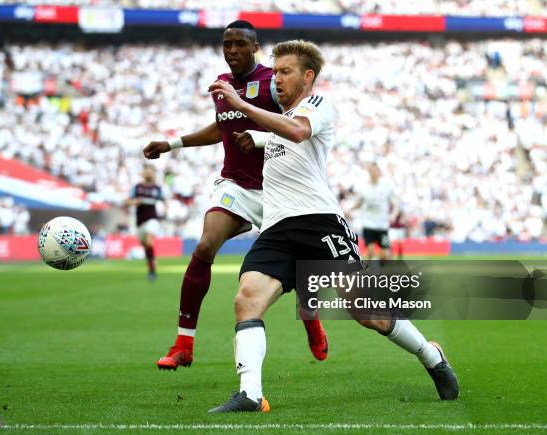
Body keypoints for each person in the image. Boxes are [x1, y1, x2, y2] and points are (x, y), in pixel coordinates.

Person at [207, 39, 459, 413]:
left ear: (308, 77)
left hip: (318, 223)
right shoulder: (277, 122)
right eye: (274, 72)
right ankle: (250, 393)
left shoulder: (317, 105)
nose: (276, 79)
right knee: (247, 300)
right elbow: (277, 133)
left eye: (285, 72)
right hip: (277, 229)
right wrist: (251, 137)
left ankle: (431, 356)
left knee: (367, 311)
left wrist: (242, 106)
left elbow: (296, 131)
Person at [144, 20, 328, 370]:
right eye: (227, 44)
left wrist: (258, 136)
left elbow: (294, 124)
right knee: (204, 246)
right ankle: (184, 343)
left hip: (280, 189)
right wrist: (173, 143)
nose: (232, 51)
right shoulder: (223, 85)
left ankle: (311, 318)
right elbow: (221, 126)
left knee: (303, 265)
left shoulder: (273, 82)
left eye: (239, 45)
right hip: (235, 186)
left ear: (254, 46)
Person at [351, 163, 398, 260]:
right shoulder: (364, 188)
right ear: (369, 172)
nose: (374, 173)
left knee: (386, 255)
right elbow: (358, 203)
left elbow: (396, 204)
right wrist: (349, 210)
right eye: (371, 171)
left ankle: (382, 263)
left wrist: (393, 214)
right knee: (371, 251)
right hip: (368, 224)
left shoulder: (386, 187)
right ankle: (370, 273)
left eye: (376, 170)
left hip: (382, 226)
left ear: (379, 172)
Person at [127, 165, 163, 281]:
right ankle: (152, 267)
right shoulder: (137, 187)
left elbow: (163, 201)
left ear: (153, 174)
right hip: (140, 222)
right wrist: (134, 202)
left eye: (150, 172)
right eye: (146, 171)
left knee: (148, 240)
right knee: (146, 247)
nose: (148, 174)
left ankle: (152, 269)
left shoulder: (157, 188)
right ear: (143, 173)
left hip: (152, 219)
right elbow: (128, 201)